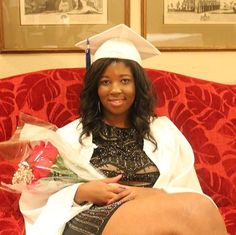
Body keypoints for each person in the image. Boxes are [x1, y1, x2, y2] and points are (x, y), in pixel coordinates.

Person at [19, 24, 227, 235]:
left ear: (138, 86)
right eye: (106, 82)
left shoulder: (163, 132)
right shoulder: (72, 135)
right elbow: (35, 198)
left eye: (125, 81)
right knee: (191, 211)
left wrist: (155, 194)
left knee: (201, 207)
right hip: (92, 216)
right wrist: (80, 191)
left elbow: (188, 187)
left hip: (156, 214)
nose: (115, 90)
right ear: (96, 88)